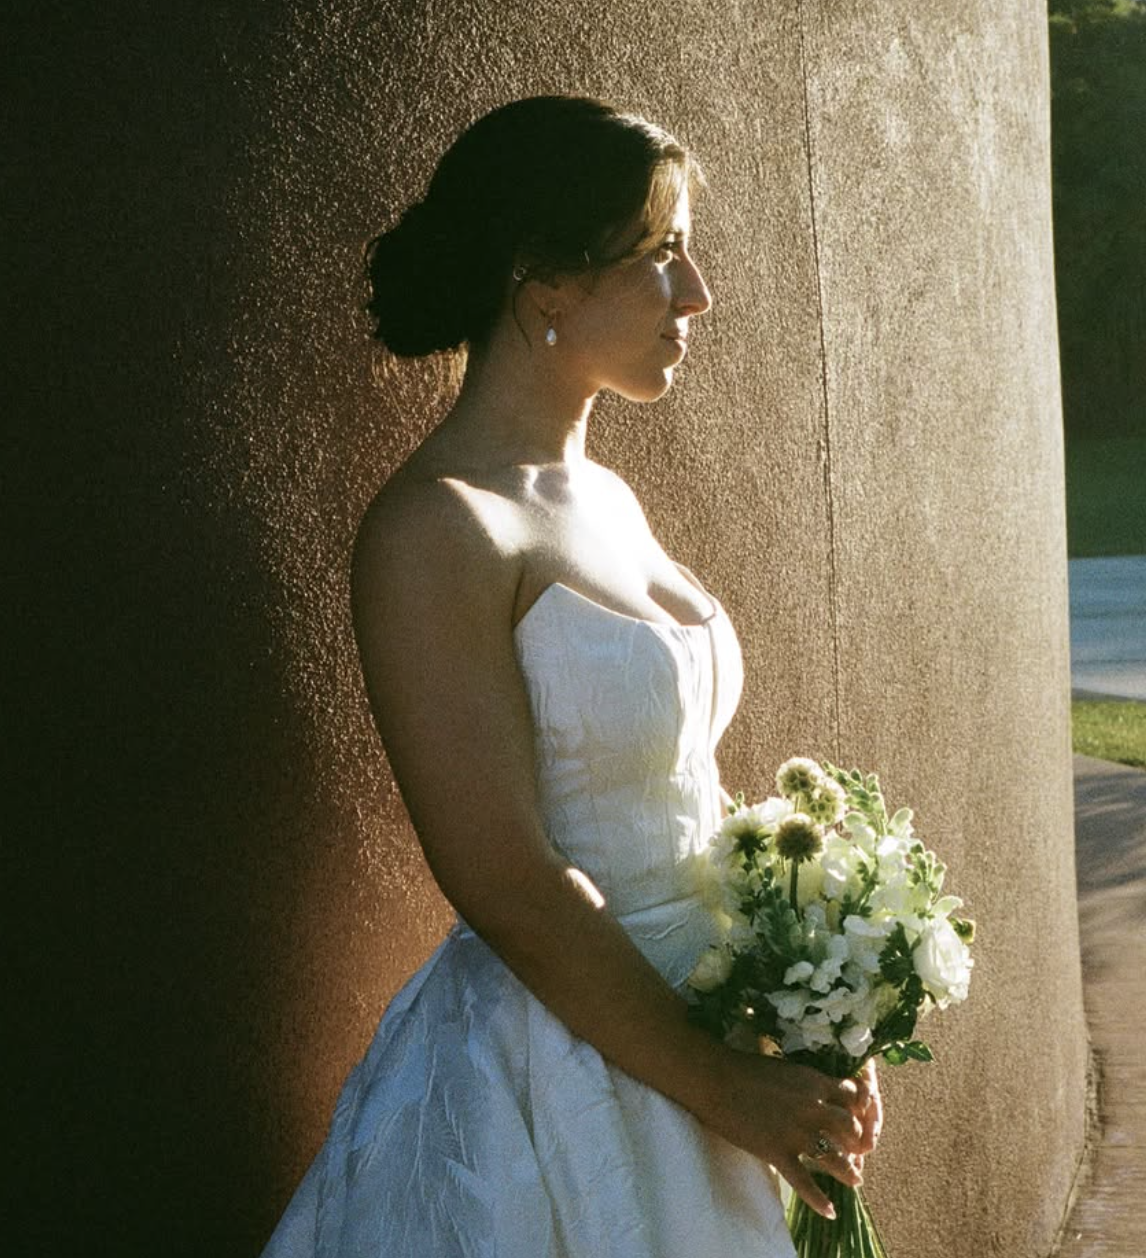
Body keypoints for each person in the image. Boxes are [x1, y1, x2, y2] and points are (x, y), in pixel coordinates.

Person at [261, 95, 881, 1258]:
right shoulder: (436, 531)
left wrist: (806, 1018)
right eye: (659, 255)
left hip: (706, 1034)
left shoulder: (605, 498)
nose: (694, 293)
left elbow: (677, 789)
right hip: (556, 1078)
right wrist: (718, 1084)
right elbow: (509, 880)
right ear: (545, 283)